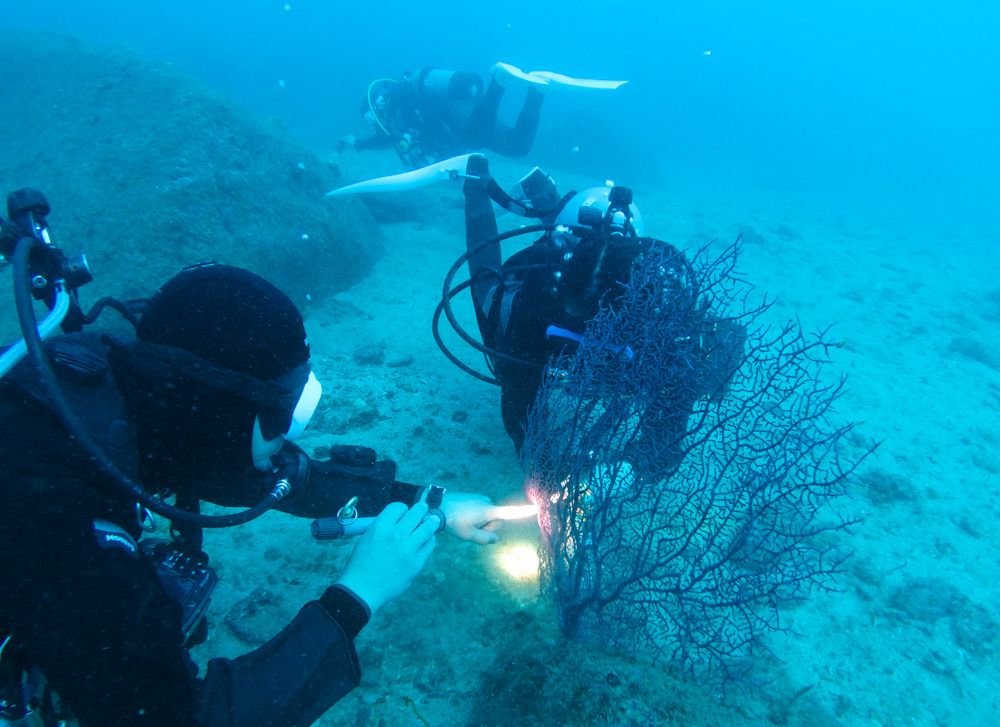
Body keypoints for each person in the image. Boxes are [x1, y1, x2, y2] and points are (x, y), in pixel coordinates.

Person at [0, 261, 502, 727]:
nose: (288, 437)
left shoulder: (127, 396)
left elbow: (258, 473)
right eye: (279, 412)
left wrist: (426, 501)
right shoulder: (55, 523)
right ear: (216, 408)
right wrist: (359, 593)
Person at [454, 155, 745, 472]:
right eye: (576, 313)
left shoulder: (663, 323)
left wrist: (632, 470)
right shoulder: (538, 297)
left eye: (594, 317)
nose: (584, 323)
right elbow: (518, 396)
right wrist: (541, 464)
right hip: (553, 274)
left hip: (623, 312)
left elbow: (667, 430)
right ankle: (478, 183)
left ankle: (548, 197)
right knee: (486, 288)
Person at [339, 63, 548, 169]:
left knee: (474, 139)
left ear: (374, 107)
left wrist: (356, 143)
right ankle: (538, 92)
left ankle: (499, 82)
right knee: (517, 147)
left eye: (369, 118)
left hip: (460, 115)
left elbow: (385, 138)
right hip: (470, 112)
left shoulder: (397, 106)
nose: (371, 123)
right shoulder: (403, 103)